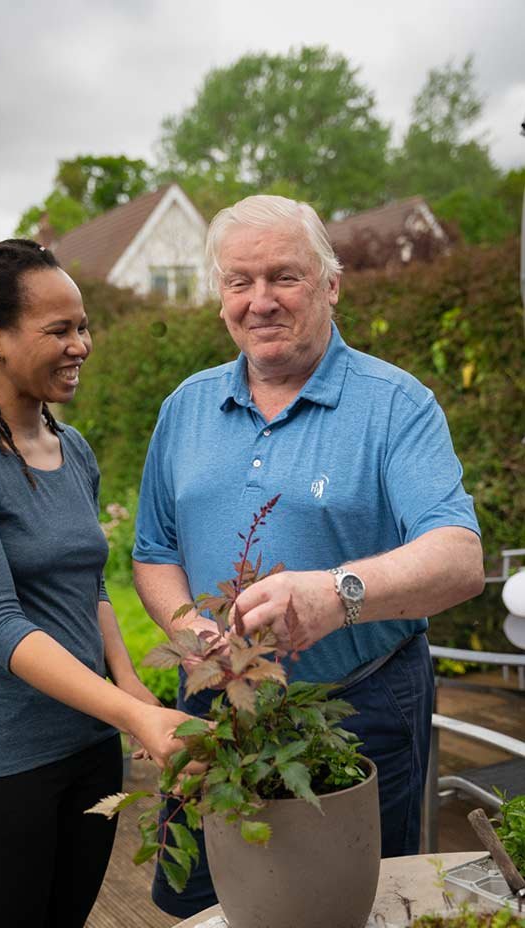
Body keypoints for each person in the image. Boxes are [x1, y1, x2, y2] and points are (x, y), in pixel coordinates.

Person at [132, 196, 485, 918]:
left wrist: (339, 593)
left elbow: (459, 558)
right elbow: (154, 552)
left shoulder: (395, 405)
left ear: (331, 285)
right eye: (239, 281)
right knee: (206, 903)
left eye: (284, 277)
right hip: (217, 702)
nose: (260, 301)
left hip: (362, 703)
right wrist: (197, 640)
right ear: (221, 296)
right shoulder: (184, 409)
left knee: (358, 904)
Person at [0, 239, 192, 928]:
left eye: (83, 326)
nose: (81, 345)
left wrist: (131, 695)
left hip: (89, 754)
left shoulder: (75, 449)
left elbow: (87, 588)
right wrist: (135, 716)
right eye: (59, 329)